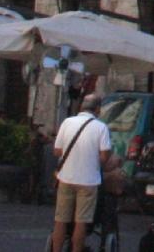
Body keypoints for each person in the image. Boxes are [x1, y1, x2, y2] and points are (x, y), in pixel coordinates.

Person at [48, 93, 114, 252]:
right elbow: (105, 156)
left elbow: (57, 151)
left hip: (66, 177)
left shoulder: (67, 122)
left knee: (61, 220)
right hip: (88, 180)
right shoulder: (101, 127)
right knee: (81, 222)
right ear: (98, 109)